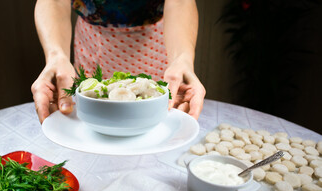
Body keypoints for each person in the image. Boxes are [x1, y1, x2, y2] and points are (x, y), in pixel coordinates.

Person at [31, 0, 206, 123]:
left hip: (156, 42)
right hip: (92, 40)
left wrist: (182, 59)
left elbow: (180, 2)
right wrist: (56, 55)